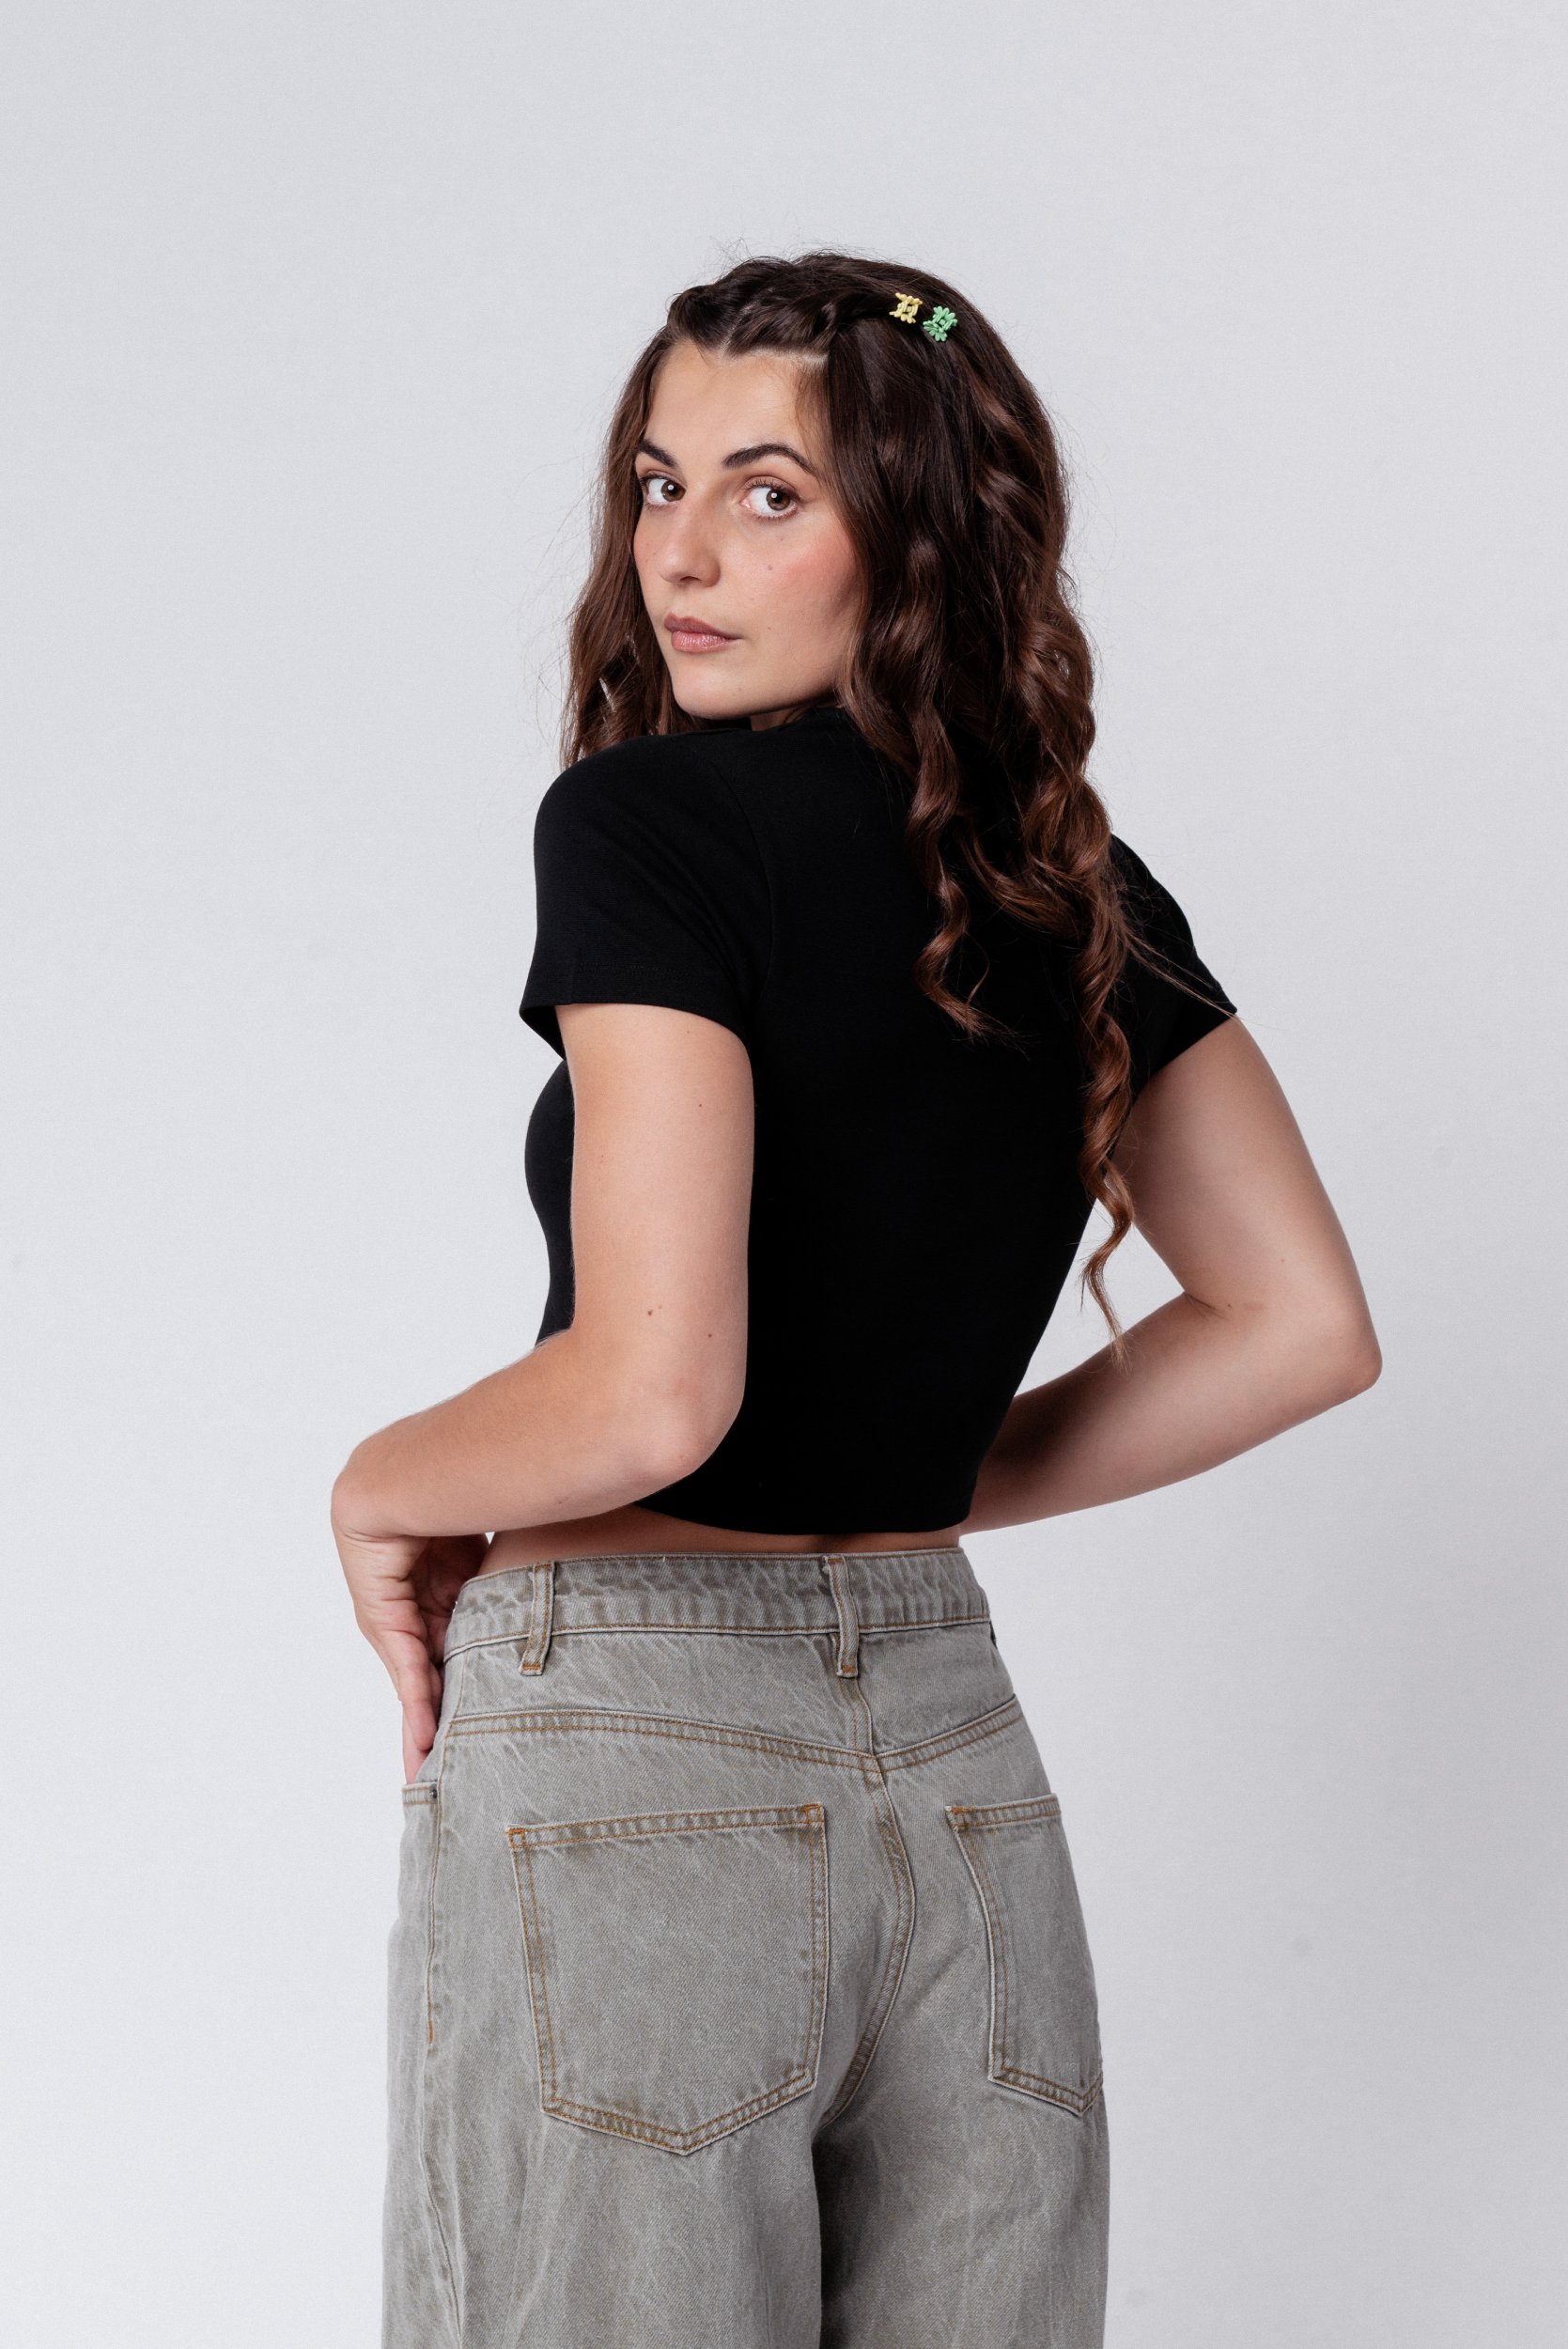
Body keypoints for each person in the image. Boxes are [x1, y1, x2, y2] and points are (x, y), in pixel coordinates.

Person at [332, 253, 1380, 2349]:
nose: (679, 553)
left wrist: (380, 1485)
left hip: (632, 1759)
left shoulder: (647, 824)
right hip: (955, 1755)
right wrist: (914, 1481)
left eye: (771, 492)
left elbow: (650, 1393)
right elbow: (1296, 1324)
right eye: (658, 483)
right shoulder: (1069, 879)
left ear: (919, 532)